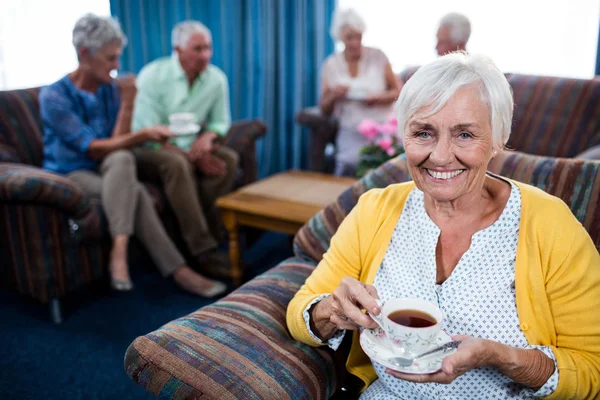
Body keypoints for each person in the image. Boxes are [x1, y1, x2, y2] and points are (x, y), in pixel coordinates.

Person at [287, 52, 600, 398]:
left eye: (464, 134)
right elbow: (301, 312)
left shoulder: (550, 225)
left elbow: (594, 368)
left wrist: (504, 358)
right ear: (403, 135)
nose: (440, 155)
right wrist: (331, 310)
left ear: (497, 139)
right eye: (423, 133)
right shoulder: (375, 210)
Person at [40, 14, 226, 298]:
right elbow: (91, 148)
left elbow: (116, 145)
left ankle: (125, 253)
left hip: (111, 166)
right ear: (84, 54)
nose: (117, 66)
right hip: (72, 171)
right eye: (110, 58)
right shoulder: (54, 97)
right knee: (134, 189)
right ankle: (169, 267)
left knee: (122, 158)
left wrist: (127, 104)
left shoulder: (111, 89)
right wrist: (143, 134)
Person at [132, 21, 237, 277]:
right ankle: (202, 251)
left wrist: (207, 140)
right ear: (177, 49)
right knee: (177, 165)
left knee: (229, 160)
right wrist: (191, 157)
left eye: (208, 48)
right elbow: (148, 132)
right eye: (197, 49)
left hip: (190, 146)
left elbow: (220, 122)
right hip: (150, 147)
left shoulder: (216, 79)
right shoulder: (152, 76)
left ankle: (210, 234)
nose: (205, 55)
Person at [319, 8, 401, 177]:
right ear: (340, 37)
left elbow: (398, 92)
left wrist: (378, 98)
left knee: (383, 170)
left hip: (381, 130)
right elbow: (324, 109)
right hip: (350, 131)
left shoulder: (378, 56)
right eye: (350, 37)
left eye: (358, 36)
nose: (355, 42)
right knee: (348, 165)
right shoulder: (331, 64)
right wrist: (334, 95)